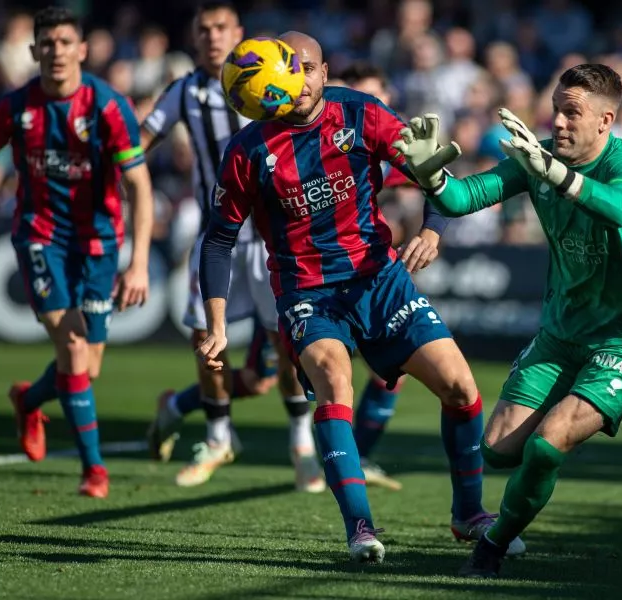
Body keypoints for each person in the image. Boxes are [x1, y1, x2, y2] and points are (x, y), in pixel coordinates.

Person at [197, 31, 525, 563]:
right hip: (307, 290)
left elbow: (428, 171)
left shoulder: (362, 114)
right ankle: (360, 528)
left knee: (461, 387)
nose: (297, 79)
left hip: (379, 279)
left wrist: (434, 229)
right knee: (335, 382)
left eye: (307, 67)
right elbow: (218, 239)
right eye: (287, 67)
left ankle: (468, 513)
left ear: (326, 72)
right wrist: (215, 324)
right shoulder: (249, 149)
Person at [394, 63, 622, 578]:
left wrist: (558, 176)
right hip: (563, 331)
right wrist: (431, 175)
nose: (560, 122)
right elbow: (462, 199)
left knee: (549, 443)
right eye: (556, 109)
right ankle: (511, 511)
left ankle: (494, 545)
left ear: (605, 121)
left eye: (573, 112)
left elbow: (617, 209)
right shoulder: (538, 157)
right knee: (499, 449)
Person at [139, 1, 323, 492]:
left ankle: (301, 442)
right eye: (204, 29)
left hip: (272, 240)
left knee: (289, 349)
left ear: (239, 34)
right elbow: (142, 140)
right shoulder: (185, 91)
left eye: (222, 27)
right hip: (217, 235)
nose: (213, 36)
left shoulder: (279, 79)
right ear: (194, 38)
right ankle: (219, 436)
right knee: (206, 341)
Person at [0, 6, 154, 498]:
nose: (56, 51)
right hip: (40, 236)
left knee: (86, 365)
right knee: (75, 350)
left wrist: (139, 262)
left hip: (100, 241)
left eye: (65, 42)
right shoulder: (16, 107)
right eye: (47, 43)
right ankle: (94, 469)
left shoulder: (107, 106)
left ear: (82, 49)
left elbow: (140, 186)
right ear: (34, 50)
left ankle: (30, 399)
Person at [336, 61, 413, 492]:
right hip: (309, 273)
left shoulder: (385, 142)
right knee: (265, 378)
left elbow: (431, 180)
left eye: (373, 96)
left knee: (391, 369)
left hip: (370, 270)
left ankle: (356, 455)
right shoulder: (324, 143)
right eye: (356, 94)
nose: (363, 105)